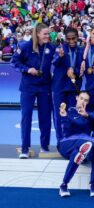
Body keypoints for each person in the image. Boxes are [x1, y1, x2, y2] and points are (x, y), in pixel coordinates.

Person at [11, 23, 55, 158]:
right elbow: (14, 62)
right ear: (38, 34)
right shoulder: (25, 46)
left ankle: (44, 147)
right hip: (28, 87)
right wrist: (27, 69)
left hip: (45, 86)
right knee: (26, 117)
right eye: (45, 34)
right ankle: (25, 149)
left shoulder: (51, 48)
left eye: (49, 34)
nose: (48, 36)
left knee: (45, 118)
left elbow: (58, 61)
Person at [57, 92, 94, 197]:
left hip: (84, 148)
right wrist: (64, 118)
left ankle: (66, 185)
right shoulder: (69, 111)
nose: (83, 101)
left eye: (86, 100)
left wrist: (88, 115)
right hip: (66, 145)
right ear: (77, 98)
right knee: (84, 138)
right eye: (81, 98)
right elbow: (66, 134)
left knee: (93, 152)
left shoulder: (90, 115)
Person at [52, 27, 83, 142]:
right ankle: (60, 140)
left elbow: (82, 69)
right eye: (68, 39)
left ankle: (71, 139)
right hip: (59, 86)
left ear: (77, 37)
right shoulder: (60, 49)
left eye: (73, 38)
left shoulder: (81, 50)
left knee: (72, 113)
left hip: (73, 87)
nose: (71, 41)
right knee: (58, 114)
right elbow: (54, 63)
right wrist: (60, 57)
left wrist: (74, 70)